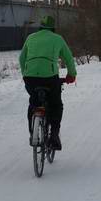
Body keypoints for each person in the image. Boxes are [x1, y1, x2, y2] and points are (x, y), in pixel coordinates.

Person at [19, 15, 76, 150]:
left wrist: (25, 74)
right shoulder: (58, 39)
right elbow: (68, 58)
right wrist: (71, 75)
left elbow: (22, 58)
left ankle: (33, 133)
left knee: (33, 103)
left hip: (30, 77)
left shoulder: (30, 38)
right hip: (50, 77)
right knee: (56, 104)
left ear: (40, 26)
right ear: (52, 28)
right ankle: (54, 136)